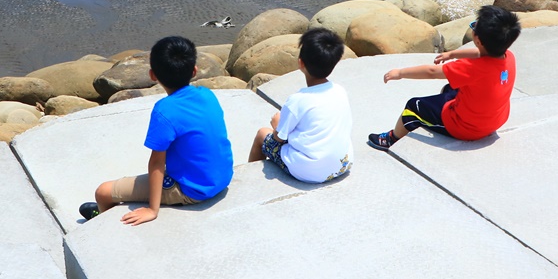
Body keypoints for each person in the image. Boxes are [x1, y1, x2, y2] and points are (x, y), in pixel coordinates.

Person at [79, 36, 234, 225]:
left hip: (193, 190)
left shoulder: (164, 110)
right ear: (194, 71)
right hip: (222, 178)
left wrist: (152, 209)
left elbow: (156, 163)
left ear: (153, 76)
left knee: (103, 192)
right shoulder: (207, 94)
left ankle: (102, 219)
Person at [368, 5, 521, 149]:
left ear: (478, 40)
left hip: (467, 129)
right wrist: (452, 54)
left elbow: (431, 72)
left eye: (474, 26)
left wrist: (400, 73)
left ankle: (391, 139)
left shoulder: (471, 68)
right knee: (450, 88)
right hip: (497, 119)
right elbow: (479, 53)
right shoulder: (508, 57)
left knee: (413, 107)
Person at [249, 28, 353, 183]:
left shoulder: (297, 100)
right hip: (343, 164)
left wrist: (277, 125)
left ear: (300, 63)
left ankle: (250, 180)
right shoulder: (340, 91)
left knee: (262, 134)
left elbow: (279, 137)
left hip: (309, 172)